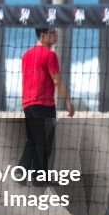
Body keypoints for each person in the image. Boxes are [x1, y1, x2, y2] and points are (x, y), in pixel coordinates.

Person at [18, 26, 74, 183]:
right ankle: (38, 177)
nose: (56, 35)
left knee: (33, 139)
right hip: (43, 103)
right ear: (42, 35)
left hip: (27, 103)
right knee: (45, 141)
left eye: (56, 32)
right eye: (52, 33)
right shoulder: (49, 55)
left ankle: (21, 173)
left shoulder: (26, 54)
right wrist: (68, 101)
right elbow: (56, 80)